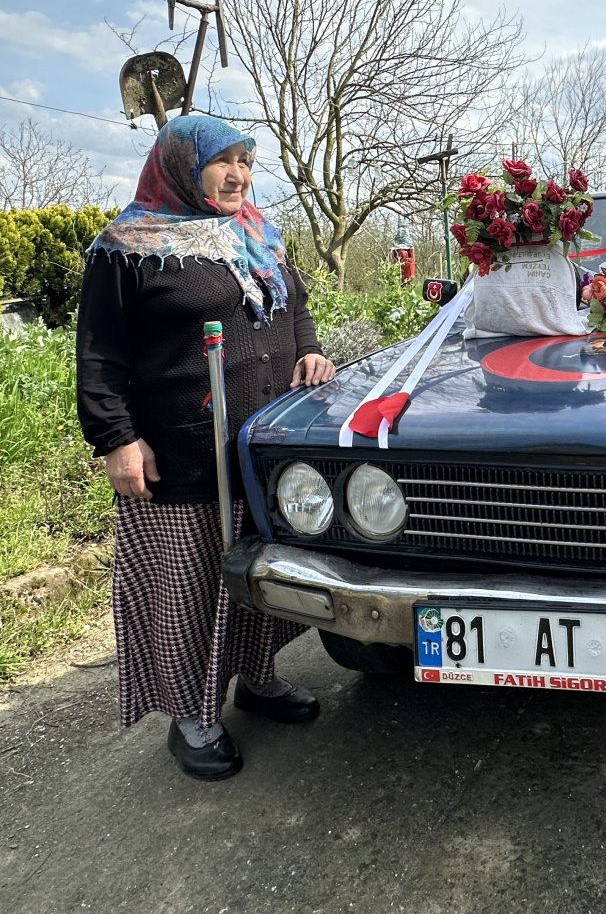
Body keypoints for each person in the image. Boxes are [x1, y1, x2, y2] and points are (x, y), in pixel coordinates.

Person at [77, 114, 336, 780]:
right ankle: (191, 715)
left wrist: (309, 350)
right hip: (181, 454)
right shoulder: (128, 247)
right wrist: (116, 438)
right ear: (181, 169)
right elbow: (100, 353)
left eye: (245, 162)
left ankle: (257, 677)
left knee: (259, 573)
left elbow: (295, 306)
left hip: (262, 448)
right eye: (223, 162)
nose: (238, 175)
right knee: (188, 591)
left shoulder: (258, 234)